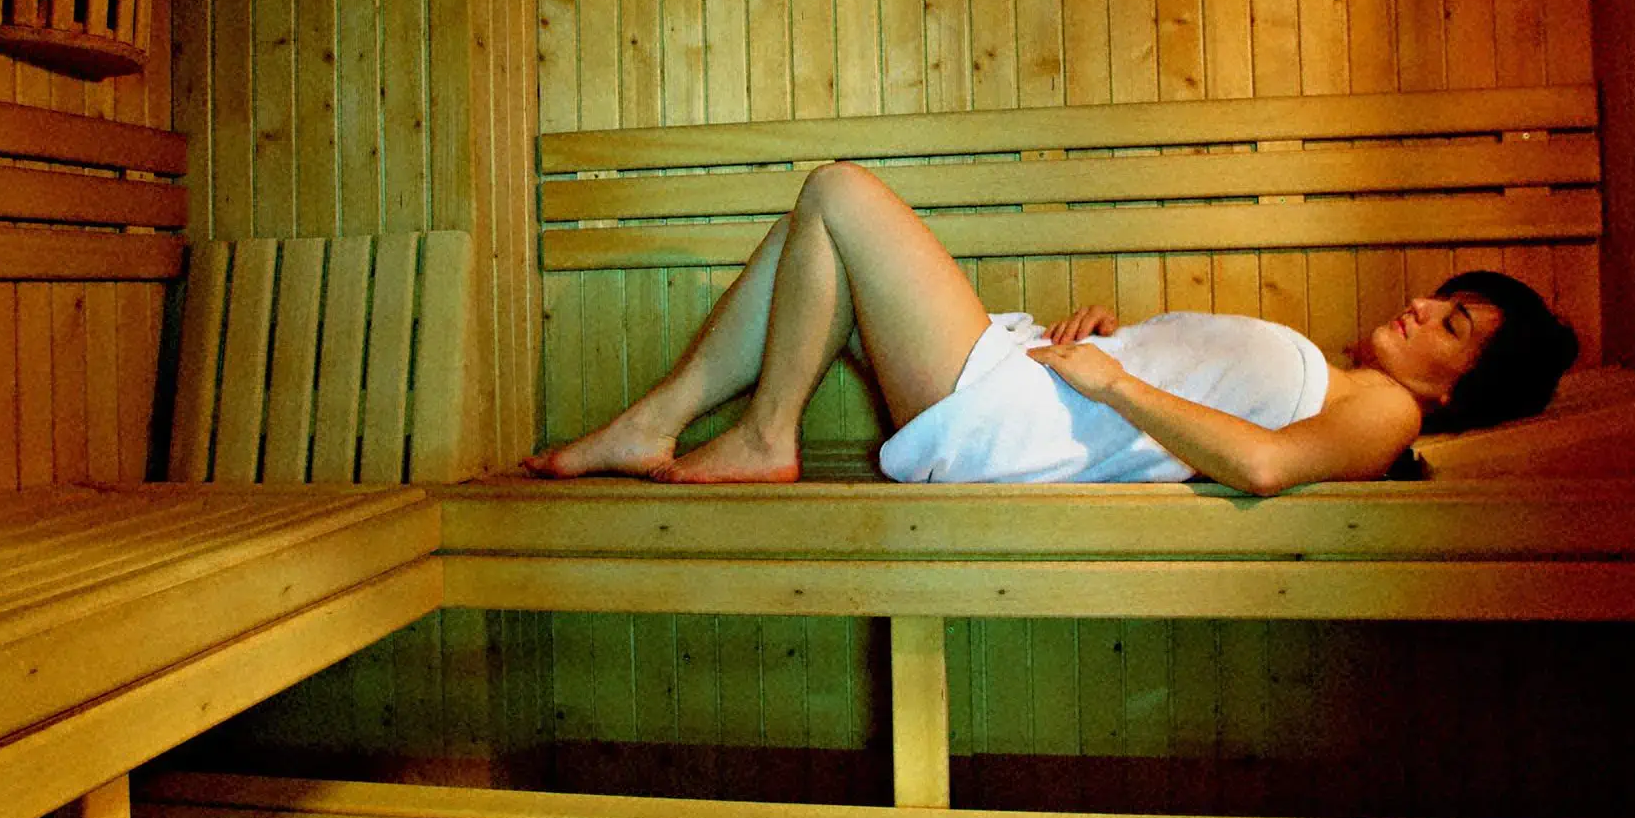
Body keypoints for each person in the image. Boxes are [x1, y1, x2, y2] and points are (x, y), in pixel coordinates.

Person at [523, 161, 1579, 494]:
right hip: (1027, 385)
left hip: (1013, 417)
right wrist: (1118, 347)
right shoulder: (1350, 385)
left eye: (1452, 323)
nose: (1419, 308)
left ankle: (763, 435)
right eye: (1441, 295)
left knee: (838, 192)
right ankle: (653, 423)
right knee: (811, 239)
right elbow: (1207, 414)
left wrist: (1116, 383)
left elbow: (1263, 466)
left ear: (1459, 386)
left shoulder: (1390, 413)